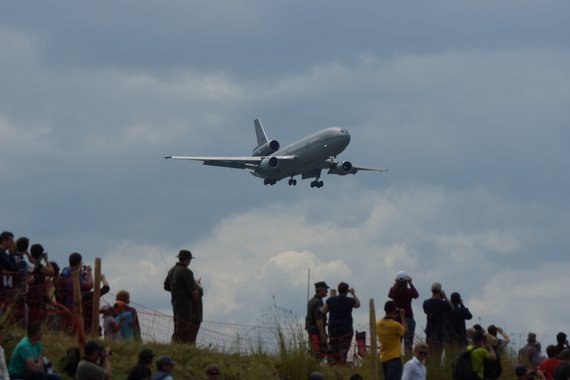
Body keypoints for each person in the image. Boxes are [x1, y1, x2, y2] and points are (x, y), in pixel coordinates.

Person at [164, 250, 201, 344]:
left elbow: (166, 286)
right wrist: (198, 286)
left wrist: (178, 291)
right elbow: (194, 293)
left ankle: (176, 346)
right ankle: (180, 346)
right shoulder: (187, 272)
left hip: (175, 303)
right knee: (185, 328)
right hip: (186, 305)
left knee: (178, 325)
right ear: (188, 260)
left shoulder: (171, 270)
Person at [322, 281, 360, 363]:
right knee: (343, 351)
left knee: (332, 351)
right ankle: (341, 364)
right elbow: (358, 304)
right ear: (347, 291)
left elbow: (323, 311)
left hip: (333, 330)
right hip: (346, 330)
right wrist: (353, 293)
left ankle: (332, 365)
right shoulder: (350, 301)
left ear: (338, 290)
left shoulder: (330, 300)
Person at [388, 271, 419, 353]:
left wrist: (395, 284)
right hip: (408, 317)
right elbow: (416, 295)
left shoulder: (393, 290)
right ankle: (408, 362)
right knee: (408, 345)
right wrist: (411, 283)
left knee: (396, 344)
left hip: (396, 318)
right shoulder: (409, 291)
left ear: (397, 281)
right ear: (406, 281)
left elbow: (389, 295)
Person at [377, 300, 407, 380]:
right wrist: (402, 316)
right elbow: (405, 331)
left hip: (383, 358)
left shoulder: (378, 324)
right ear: (394, 311)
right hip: (394, 358)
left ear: (385, 309)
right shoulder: (395, 325)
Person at [422, 282, 452, 362]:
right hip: (440, 331)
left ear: (431, 290)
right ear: (440, 291)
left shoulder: (426, 302)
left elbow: (425, 311)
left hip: (429, 331)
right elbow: (451, 307)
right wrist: (445, 297)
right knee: (438, 355)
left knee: (429, 354)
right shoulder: (443, 303)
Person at [28, 244, 56, 324]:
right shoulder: (38, 266)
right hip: (37, 294)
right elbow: (52, 272)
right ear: (41, 254)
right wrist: (47, 260)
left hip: (29, 293)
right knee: (36, 317)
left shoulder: (29, 263)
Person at [305, 281, 329, 357]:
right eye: (325, 289)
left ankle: (313, 366)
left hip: (311, 329)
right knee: (319, 352)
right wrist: (323, 333)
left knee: (314, 350)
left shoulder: (311, 301)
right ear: (320, 290)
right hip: (316, 330)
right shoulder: (318, 302)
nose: (327, 291)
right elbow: (319, 319)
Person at [0, 231, 17, 313]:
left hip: (6, 286)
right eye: (11, 241)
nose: (12, 243)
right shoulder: (1, 253)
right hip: (2, 286)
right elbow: (12, 267)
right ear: (4, 240)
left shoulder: (4, 254)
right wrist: (11, 253)